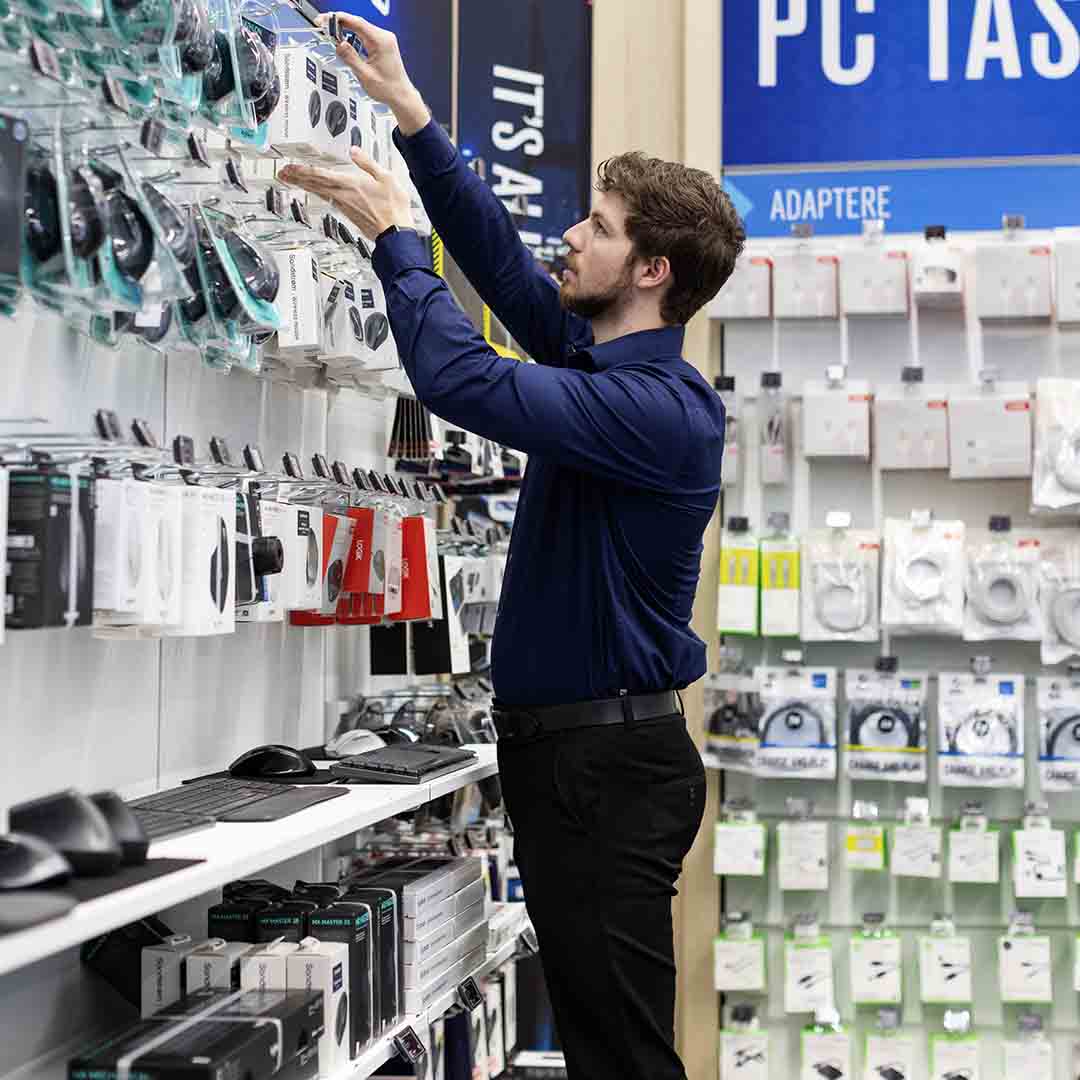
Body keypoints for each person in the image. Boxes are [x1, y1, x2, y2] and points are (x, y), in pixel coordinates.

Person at [281, 15, 744, 1079]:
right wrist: (414, 117)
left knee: (621, 1051)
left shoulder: (662, 410)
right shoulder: (607, 367)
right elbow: (504, 269)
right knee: (598, 1039)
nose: (570, 236)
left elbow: (464, 380)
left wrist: (399, 240)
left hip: (608, 768)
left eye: (598, 224)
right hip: (576, 757)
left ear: (653, 270)